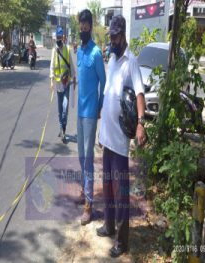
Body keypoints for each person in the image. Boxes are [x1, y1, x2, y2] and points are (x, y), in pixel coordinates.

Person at [96, 15, 146, 258]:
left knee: (121, 191)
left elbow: (139, 94)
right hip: (107, 138)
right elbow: (108, 97)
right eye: (111, 36)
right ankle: (108, 225)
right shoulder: (113, 59)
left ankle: (123, 241)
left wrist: (141, 123)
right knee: (106, 186)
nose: (112, 40)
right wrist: (100, 132)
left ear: (123, 34)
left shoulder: (131, 62)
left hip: (119, 142)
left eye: (115, 36)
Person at [76, 9, 106, 225]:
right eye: (81, 25)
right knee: (80, 155)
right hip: (79, 112)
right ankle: (84, 188)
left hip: (90, 114)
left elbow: (103, 83)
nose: (83, 28)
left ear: (91, 26)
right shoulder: (79, 51)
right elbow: (81, 80)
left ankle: (89, 205)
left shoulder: (96, 53)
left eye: (86, 25)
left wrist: (100, 108)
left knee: (88, 158)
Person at [50, 26, 76, 143]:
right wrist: (51, 81)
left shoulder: (67, 49)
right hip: (58, 84)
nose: (59, 39)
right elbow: (51, 66)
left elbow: (71, 65)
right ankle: (61, 127)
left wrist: (74, 78)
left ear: (64, 38)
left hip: (66, 84)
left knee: (65, 107)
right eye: (57, 37)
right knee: (60, 109)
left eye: (60, 37)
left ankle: (64, 129)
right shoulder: (54, 51)